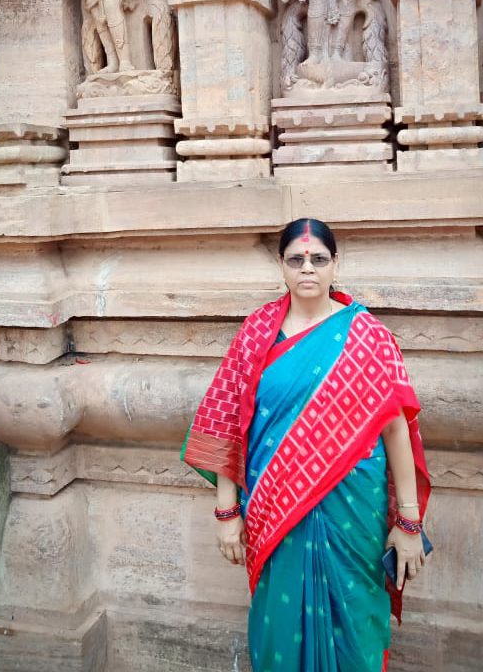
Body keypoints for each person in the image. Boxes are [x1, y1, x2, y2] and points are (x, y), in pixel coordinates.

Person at [181, 217, 430, 672]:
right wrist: (226, 511)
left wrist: (408, 523)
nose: (308, 268)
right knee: (280, 626)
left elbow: (396, 429)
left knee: (356, 625)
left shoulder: (368, 335)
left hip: (354, 513)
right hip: (275, 510)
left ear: (335, 264)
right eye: (296, 259)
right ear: (281, 265)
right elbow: (225, 424)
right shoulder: (256, 333)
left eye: (318, 259)